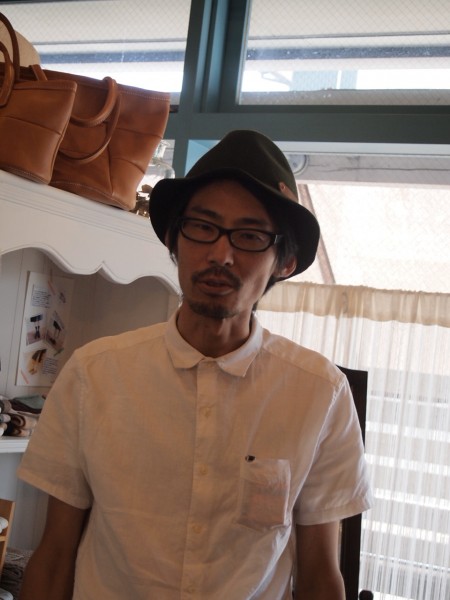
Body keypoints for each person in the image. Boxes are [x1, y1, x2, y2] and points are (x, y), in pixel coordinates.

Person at [17, 130, 372, 600]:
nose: (220, 255)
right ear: (173, 238)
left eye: (249, 236)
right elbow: (54, 555)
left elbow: (321, 575)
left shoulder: (320, 393)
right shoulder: (93, 376)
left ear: (283, 262)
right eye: (202, 227)